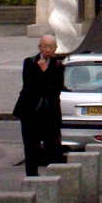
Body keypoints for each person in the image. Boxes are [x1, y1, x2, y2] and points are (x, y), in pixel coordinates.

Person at [13, 35, 66, 177]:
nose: (48, 49)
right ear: (39, 47)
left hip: (50, 112)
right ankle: (31, 176)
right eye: (45, 46)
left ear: (55, 48)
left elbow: (56, 88)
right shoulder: (29, 63)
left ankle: (54, 178)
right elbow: (31, 86)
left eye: (51, 46)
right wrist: (46, 76)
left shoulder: (58, 65)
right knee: (31, 147)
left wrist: (46, 71)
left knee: (54, 146)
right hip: (31, 111)